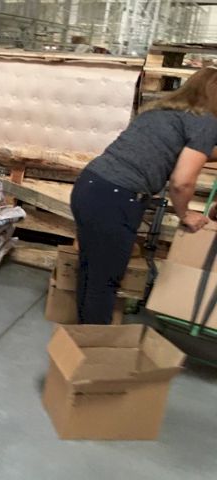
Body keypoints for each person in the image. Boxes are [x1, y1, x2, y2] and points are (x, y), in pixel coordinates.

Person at [71, 67, 217, 325]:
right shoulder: (206, 122)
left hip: (90, 186)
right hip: (117, 199)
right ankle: (94, 345)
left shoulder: (160, 111)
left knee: (91, 269)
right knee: (104, 281)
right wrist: (185, 214)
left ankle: (79, 336)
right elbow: (182, 182)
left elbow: (187, 149)